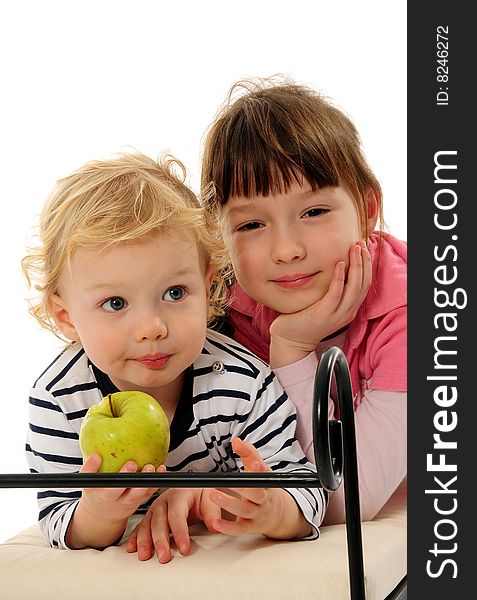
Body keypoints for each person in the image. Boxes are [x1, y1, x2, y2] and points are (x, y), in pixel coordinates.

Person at [22, 151, 326, 562]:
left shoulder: (242, 382)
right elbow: (59, 521)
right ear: (66, 316)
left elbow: (307, 490)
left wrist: (272, 509)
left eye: (175, 294)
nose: (152, 327)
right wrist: (99, 513)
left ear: (208, 286)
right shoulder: (61, 398)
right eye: (115, 303)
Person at [200, 77, 407, 525]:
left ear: (368, 207)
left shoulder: (412, 317)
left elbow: (341, 498)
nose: (287, 250)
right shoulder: (222, 311)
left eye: (314, 212)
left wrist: (292, 350)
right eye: (251, 225)